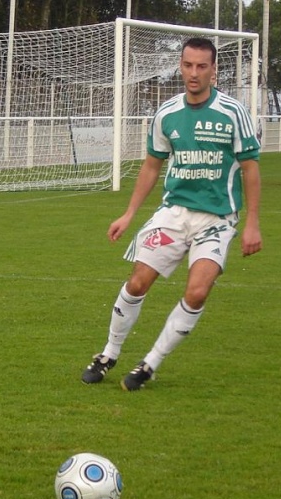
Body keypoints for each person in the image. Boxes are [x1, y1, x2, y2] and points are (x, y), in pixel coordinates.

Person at [80, 37, 262, 391]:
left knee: (196, 292)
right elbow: (151, 166)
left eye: (201, 66)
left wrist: (252, 222)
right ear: (180, 66)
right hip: (174, 214)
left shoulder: (233, 113)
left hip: (217, 219)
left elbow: (250, 169)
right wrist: (129, 213)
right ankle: (108, 354)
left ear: (213, 71)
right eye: (188, 65)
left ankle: (149, 364)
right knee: (137, 282)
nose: (193, 74)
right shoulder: (166, 113)